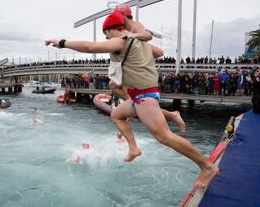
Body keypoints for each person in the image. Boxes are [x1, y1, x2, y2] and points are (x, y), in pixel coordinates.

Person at [45, 11, 218, 188]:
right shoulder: (139, 42)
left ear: (113, 29)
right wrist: (139, 55)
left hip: (144, 96)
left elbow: (90, 47)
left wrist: (62, 43)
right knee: (117, 114)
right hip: (139, 96)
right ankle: (135, 147)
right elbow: (159, 52)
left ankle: (206, 166)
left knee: (164, 137)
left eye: (106, 33)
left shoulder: (120, 40)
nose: (106, 37)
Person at [113, 4, 186, 131]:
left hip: (141, 54)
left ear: (123, 16)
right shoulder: (121, 27)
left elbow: (147, 36)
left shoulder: (134, 24)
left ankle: (136, 105)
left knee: (116, 85)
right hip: (136, 57)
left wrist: (132, 35)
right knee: (113, 85)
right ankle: (134, 104)